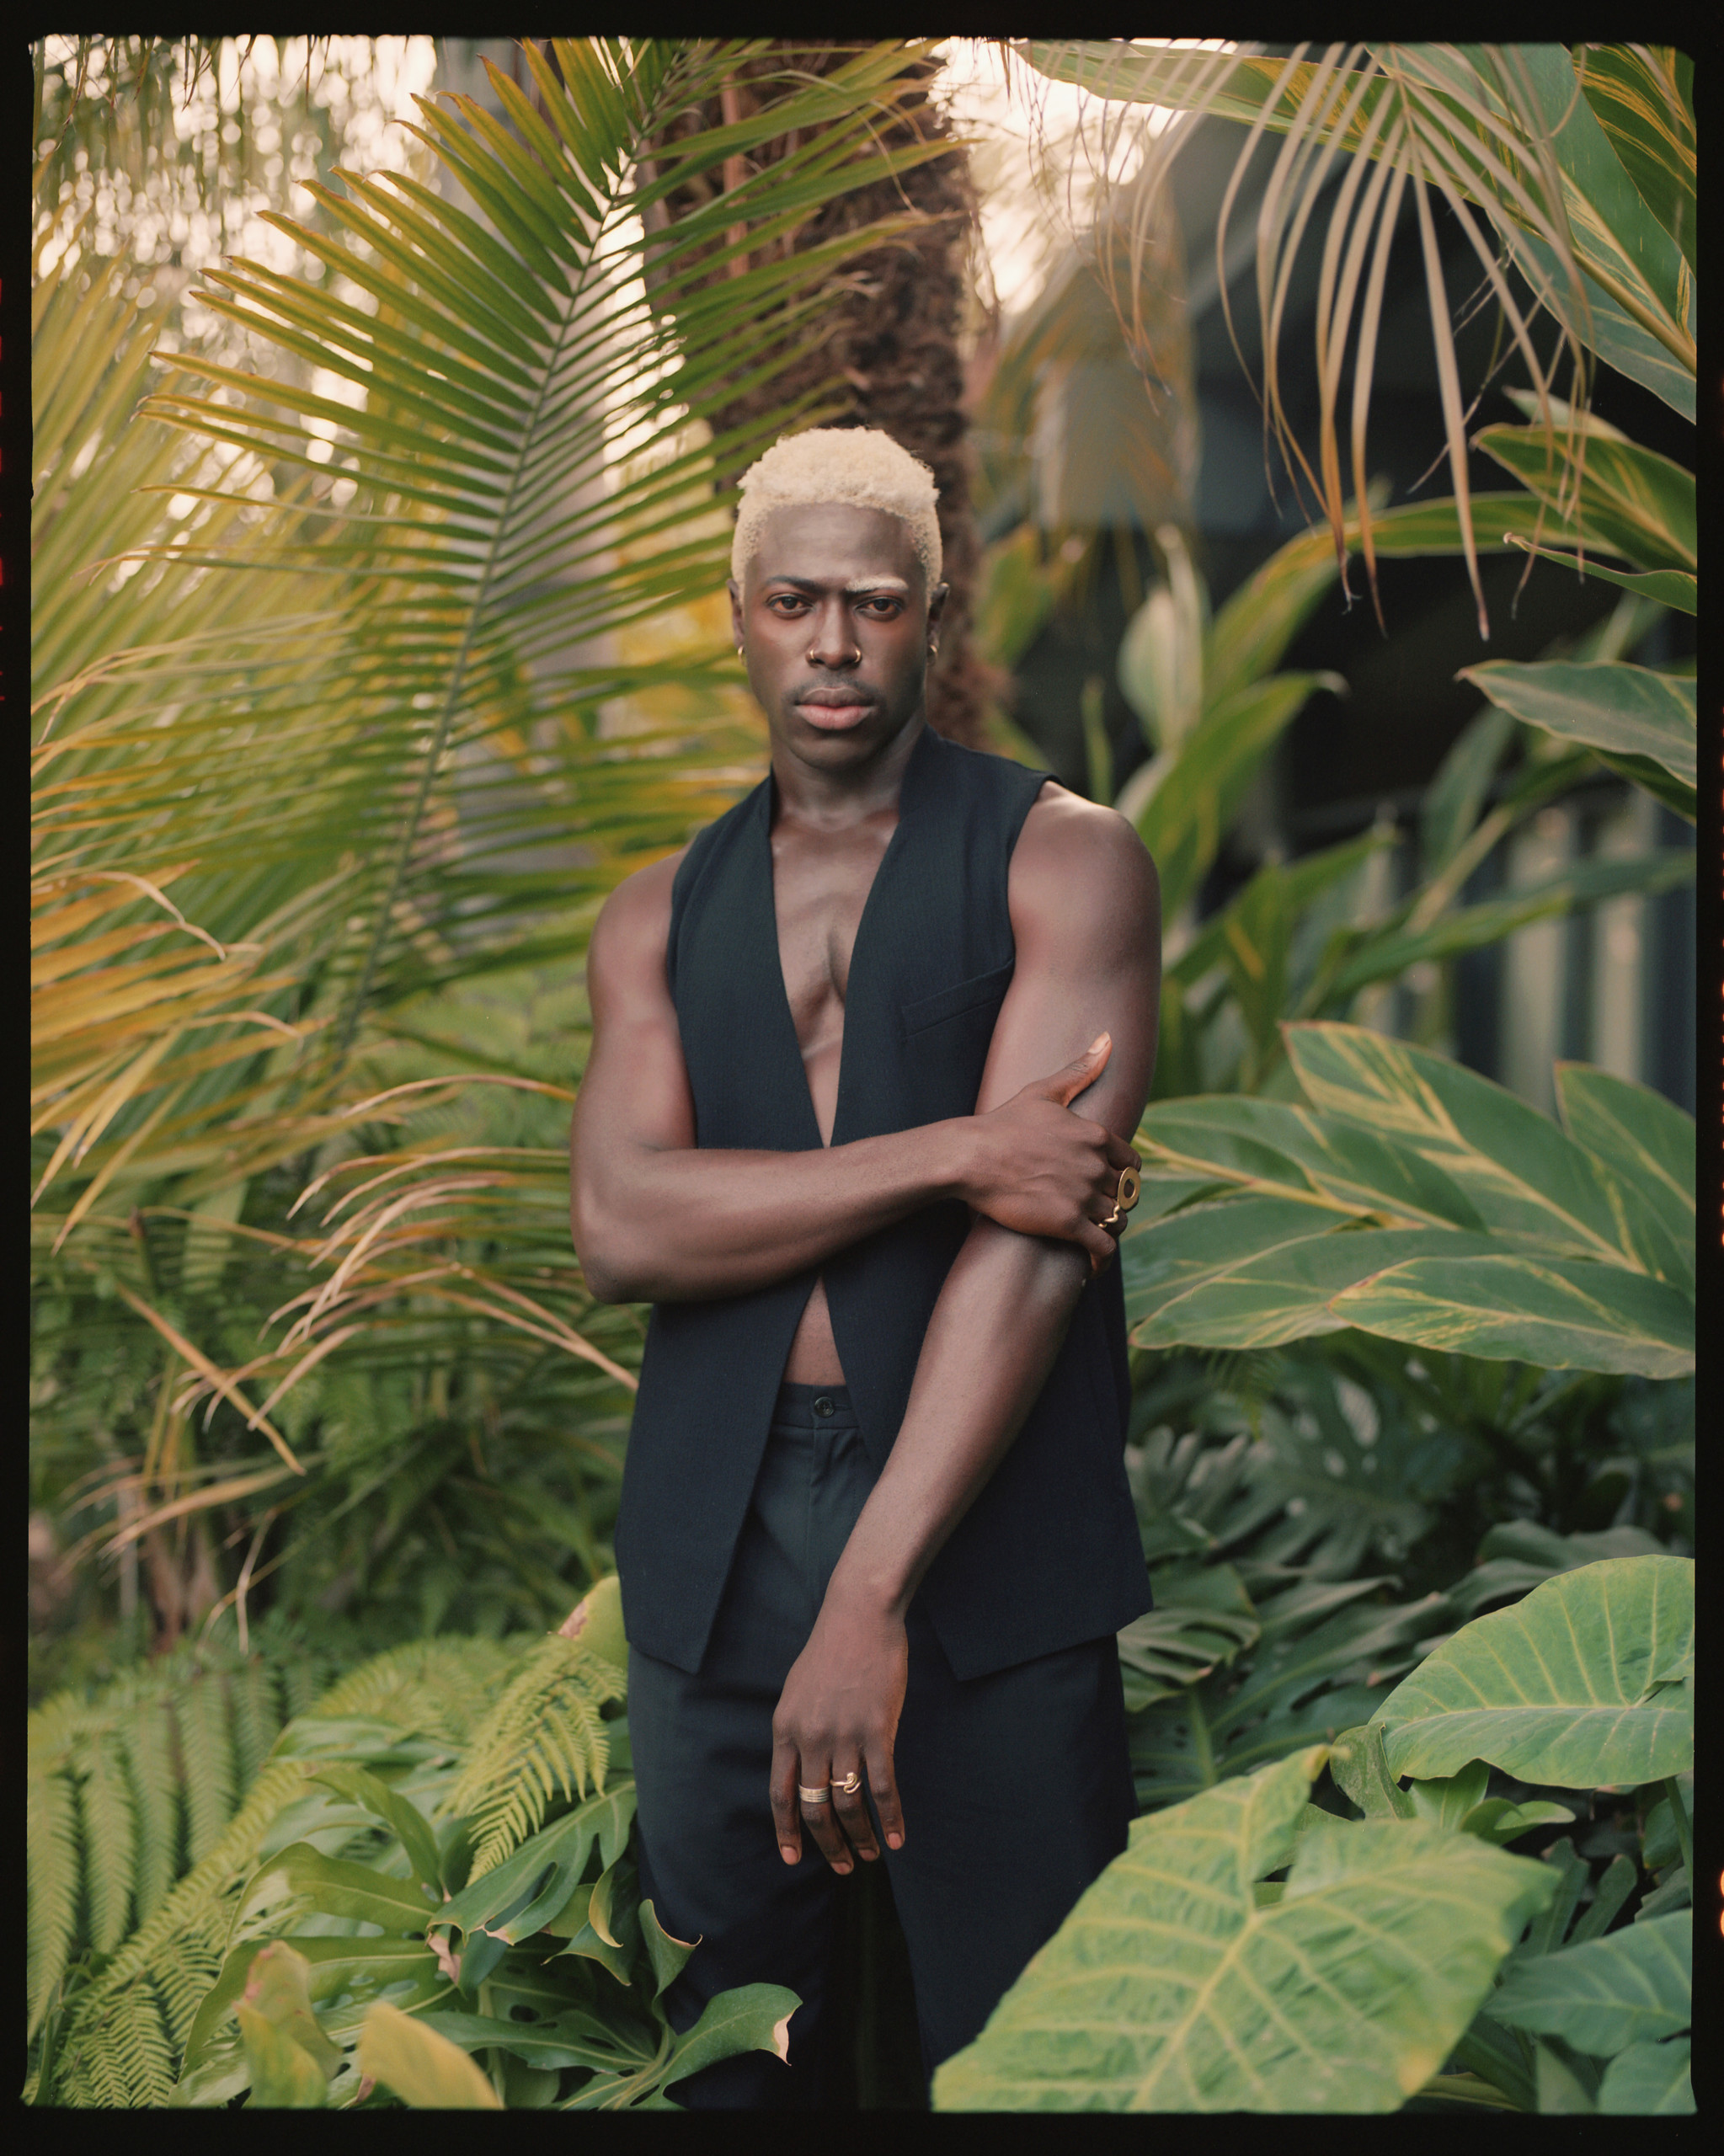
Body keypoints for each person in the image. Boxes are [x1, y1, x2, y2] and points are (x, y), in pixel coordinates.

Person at [570, 426, 1161, 2105]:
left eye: (874, 603)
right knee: (735, 2065)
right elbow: (621, 1226)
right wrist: (958, 1144)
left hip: (988, 1531)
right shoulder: (649, 914)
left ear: (931, 613)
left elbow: (1040, 1241)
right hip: (711, 1543)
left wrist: (870, 1591)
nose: (832, 641)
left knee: (1026, 2055)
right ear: (738, 613)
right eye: (793, 599)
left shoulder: (1064, 856)